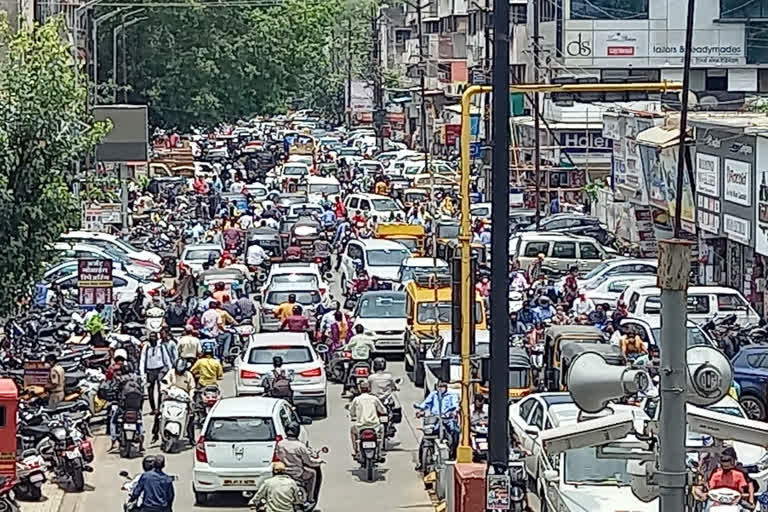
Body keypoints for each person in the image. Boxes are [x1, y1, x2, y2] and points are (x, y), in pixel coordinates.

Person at [275, 423, 321, 507]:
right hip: (297, 473)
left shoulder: (280, 444)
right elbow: (309, 462)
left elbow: (277, 456)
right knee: (313, 473)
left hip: (283, 471)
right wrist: (318, 461)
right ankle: (310, 498)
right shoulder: (300, 446)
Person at [415, 381, 459, 461]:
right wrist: (420, 411)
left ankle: (453, 453)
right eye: (440, 386)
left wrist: (453, 412)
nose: (441, 388)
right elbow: (425, 404)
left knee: (455, 432)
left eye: (443, 386)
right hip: (435, 420)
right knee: (426, 438)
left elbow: (455, 406)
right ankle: (421, 462)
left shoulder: (452, 395)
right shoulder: (433, 394)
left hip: (447, 419)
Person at [110, 362, 144, 452]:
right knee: (139, 422)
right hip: (136, 407)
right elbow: (142, 391)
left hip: (124, 407)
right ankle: (141, 439)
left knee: (113, 421)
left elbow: (115, 390)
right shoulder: (138, 378)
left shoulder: (120, 379)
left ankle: (113, 441)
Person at [349, 380, 387, 458]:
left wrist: (353, 416)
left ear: (360, 389)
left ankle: (356, 451)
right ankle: (380, 451)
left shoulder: (356, 399)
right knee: (382, 429)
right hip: (374, 426)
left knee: (352, 431)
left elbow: (351, 411)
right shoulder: (374, 398)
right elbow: (383, 410)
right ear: (369, 389)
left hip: (360, 426)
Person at [162, 359, 196, 445]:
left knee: (191, 417)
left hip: (184, 399)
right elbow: (165, 382)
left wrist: (191, 397)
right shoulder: (171, 373)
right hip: (171, 397)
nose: (179, 373)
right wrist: (164, 389)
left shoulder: (189, 375)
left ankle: (191, 437)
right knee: (159, 414)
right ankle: (155, 433)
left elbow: (192, 388)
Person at [140, 333, 172, 415]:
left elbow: (166, 358)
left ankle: (159, 407)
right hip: (149, 370)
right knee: (150, 390)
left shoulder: (161, 347)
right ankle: (153, 408)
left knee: (160, 390)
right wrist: (142, 372)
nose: (152, 338)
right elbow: (142, 360)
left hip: (160, 369)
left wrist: (170, 370)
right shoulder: (146, 347)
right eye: (151, 337)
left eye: (154, 337)